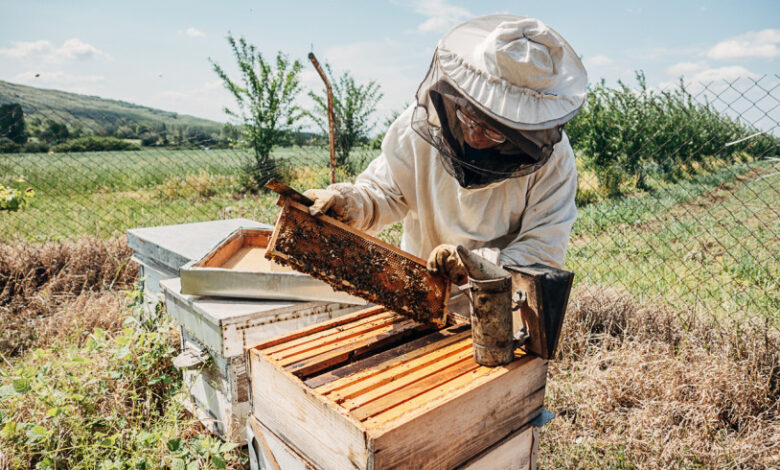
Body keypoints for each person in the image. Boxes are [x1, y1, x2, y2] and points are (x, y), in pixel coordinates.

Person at [304, 14, 587, 285]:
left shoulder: (554, 161)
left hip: (501, 303)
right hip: (421, 289)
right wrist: (348, 202)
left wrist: (478, 265)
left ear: (522, 130)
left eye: (493, 130)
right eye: (468, 116)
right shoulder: (422, 125)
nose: (475, 133)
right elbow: (386, 192)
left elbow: (543, 249)